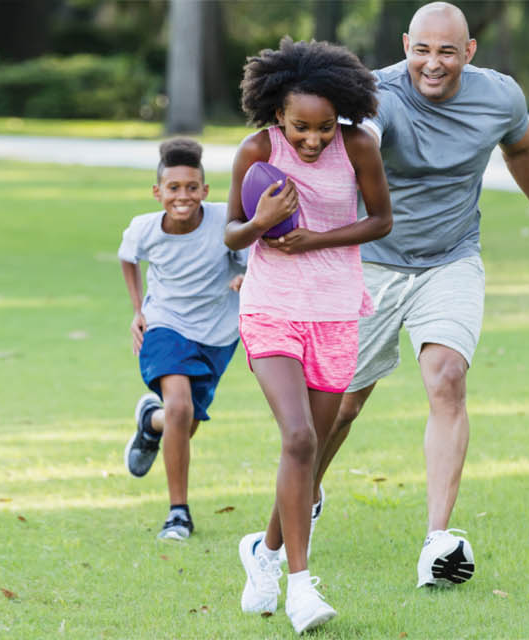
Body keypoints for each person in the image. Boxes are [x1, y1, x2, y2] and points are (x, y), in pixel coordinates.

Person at [311, 1, 529, 589]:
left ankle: (438, 541)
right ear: (406, 44)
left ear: (469, 52)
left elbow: (523, 148)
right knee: (344, 404)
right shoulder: (374, 94)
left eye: (447, 51)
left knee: (447, 377)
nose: (433, 63)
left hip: (451, 258)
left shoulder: (499, 97)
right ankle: (306, 491)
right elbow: (358, 143)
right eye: (422, 49)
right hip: (372, 264)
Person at [223, 39, 393, 633]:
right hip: (270, 308)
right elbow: (230, 236)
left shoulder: (360, 146)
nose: (313, 140)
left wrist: (314, 239)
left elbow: (380, 220)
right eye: (301, 128)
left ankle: (262, 552)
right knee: (297, 437)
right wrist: (261, 224)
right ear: (278, 116)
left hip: (336, 310)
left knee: (311, 452)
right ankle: (300, 588)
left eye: (324, 128)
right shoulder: (256, 150)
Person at [118, 138, 248, 541]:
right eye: (173, 188)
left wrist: (246, 277)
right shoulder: (144, 228)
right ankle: (178, 514)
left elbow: (253, 259)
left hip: (218, 333)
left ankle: (149, 423)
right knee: (179, 407)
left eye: (192, 187)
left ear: (205, 191)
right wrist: (139, 310)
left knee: (183, 420)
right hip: (165, 325)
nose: (183, 196)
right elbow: (128, 259)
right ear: (158, 192)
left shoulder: (225, 220)